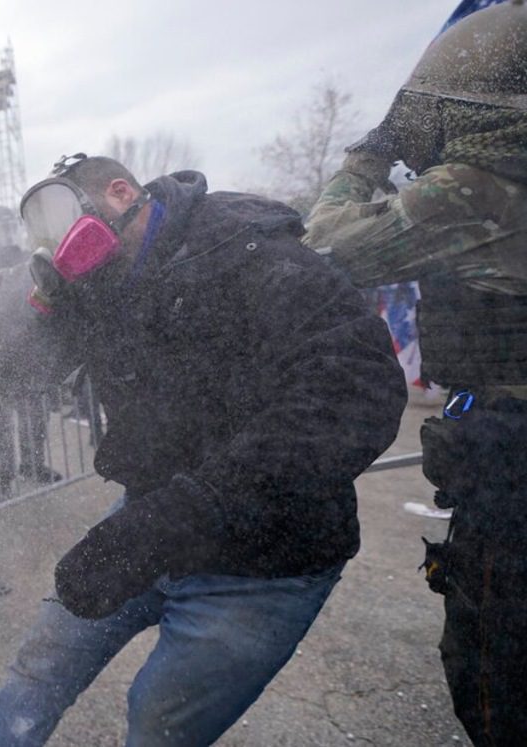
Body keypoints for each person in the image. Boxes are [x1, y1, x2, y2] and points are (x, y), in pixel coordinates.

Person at [0, 154, 406, 746]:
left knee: (158, 722)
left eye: (63, 220)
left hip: (264, 559)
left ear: (121, 193)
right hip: (152, 521)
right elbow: (24, 368)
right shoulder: (106, 286)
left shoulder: (249, 253)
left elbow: (354, 386)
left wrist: (184, 514)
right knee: (40, 664)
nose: (60, 247)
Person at [302, 5, 527, 742]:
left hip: (514, 464)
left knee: (496, 676)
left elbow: (329, 245)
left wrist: (367, 157)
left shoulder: (480, 184)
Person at [0, 206, 62, 492]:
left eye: (10, 227)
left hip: (27, 349)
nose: (6, 234)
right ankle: (2, 477)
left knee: (35, 413)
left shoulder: (27, 258)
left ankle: (33, 464)